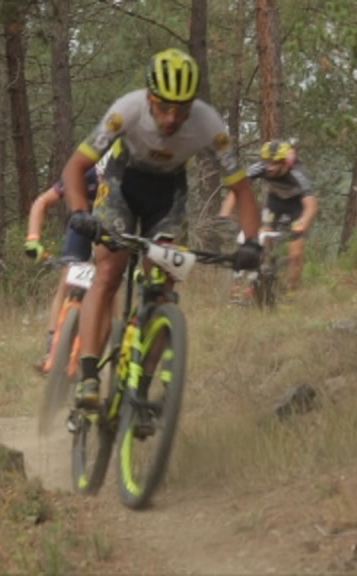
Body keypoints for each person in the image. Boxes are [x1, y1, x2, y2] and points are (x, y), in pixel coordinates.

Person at [60, 48, 263, 410]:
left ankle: (141, 389)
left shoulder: (208, 125)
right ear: (149, 97)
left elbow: (243, 191)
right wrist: (79, 212)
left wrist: (251, 244)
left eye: (181, 109)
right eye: (164, 106)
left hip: (167, 196)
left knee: (163, 288)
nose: (172, 118)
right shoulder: (127, 109)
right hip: (122, 184)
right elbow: (75, 168)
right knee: (109, 270)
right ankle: (89, 376)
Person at [24, 164, 103, 373]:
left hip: (112, 228)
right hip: (82, 228)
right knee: (68, 281)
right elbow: (42, 202)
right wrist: (33, 239)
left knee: (109, 287)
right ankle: (51, 350)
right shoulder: (84, 173)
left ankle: (100, 351)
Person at [218, 139, 319, 295]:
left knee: (296, 253)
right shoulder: (259, 168)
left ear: (285, 162)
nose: (269, 167)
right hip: (275, 203)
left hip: (296, 207)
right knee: (260, 238)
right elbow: (236, 190)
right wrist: (224, 215)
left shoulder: (297, 174)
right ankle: (255, 279)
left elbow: (311, 205)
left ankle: (291, 291)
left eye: (275, 163)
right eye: (267, 162)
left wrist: (301, 226)